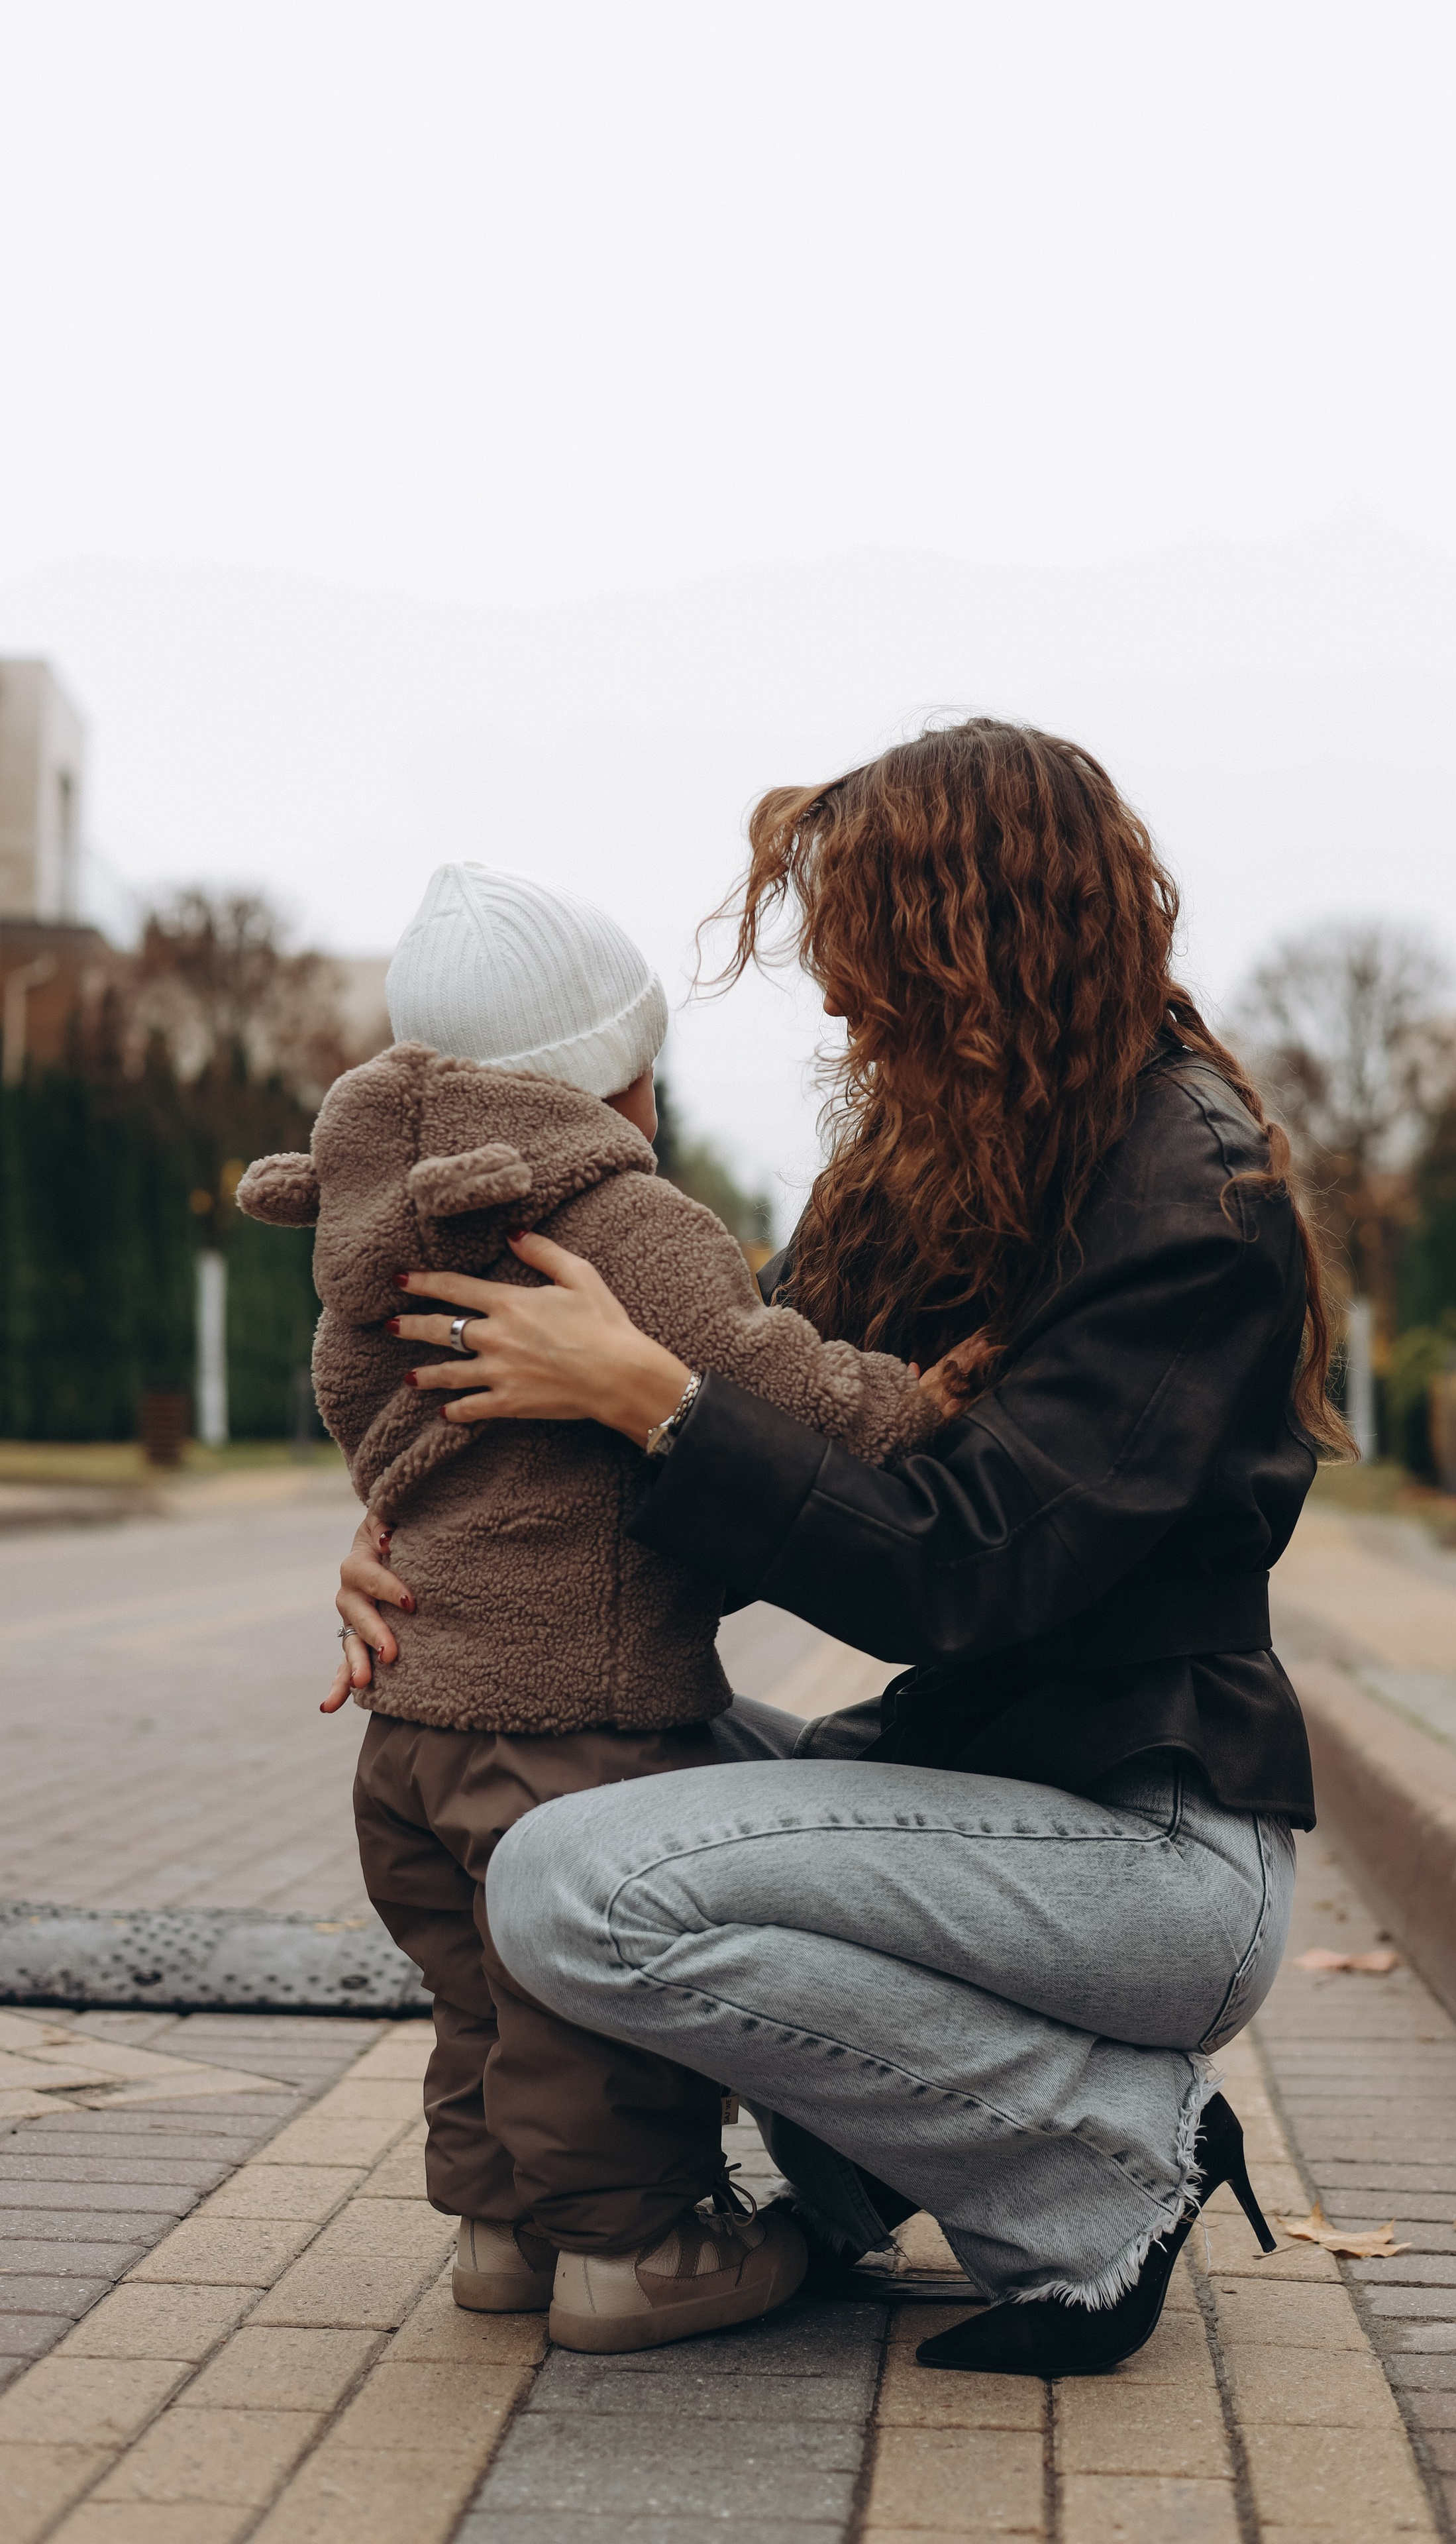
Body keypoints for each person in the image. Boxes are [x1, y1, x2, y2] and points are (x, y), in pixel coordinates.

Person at [340, 720, 1349, 2379]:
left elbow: (963, 1567)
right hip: (976, 1796)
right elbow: (755, 1457)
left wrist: (655, 1399)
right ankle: (860, 2169)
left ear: (987, 937)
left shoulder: (1191, 1196)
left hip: (1148, 1851)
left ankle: (1104, 2166)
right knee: (543, 1764)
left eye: (865, 950)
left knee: (568, 1881)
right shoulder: (939, 1162)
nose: (832, 998)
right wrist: (410, 1557)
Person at [248, 859, 941, 2355]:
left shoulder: (378, 1228)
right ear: (620, 1079)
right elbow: (760, 1376)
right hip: (574, 1728)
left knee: (479, 1995)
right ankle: (634, 2252)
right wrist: (914, 1398)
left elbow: (369, 1418)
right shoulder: (619, 1220)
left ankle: (505, 2237)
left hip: (411, 1731)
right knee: (580, 2006)